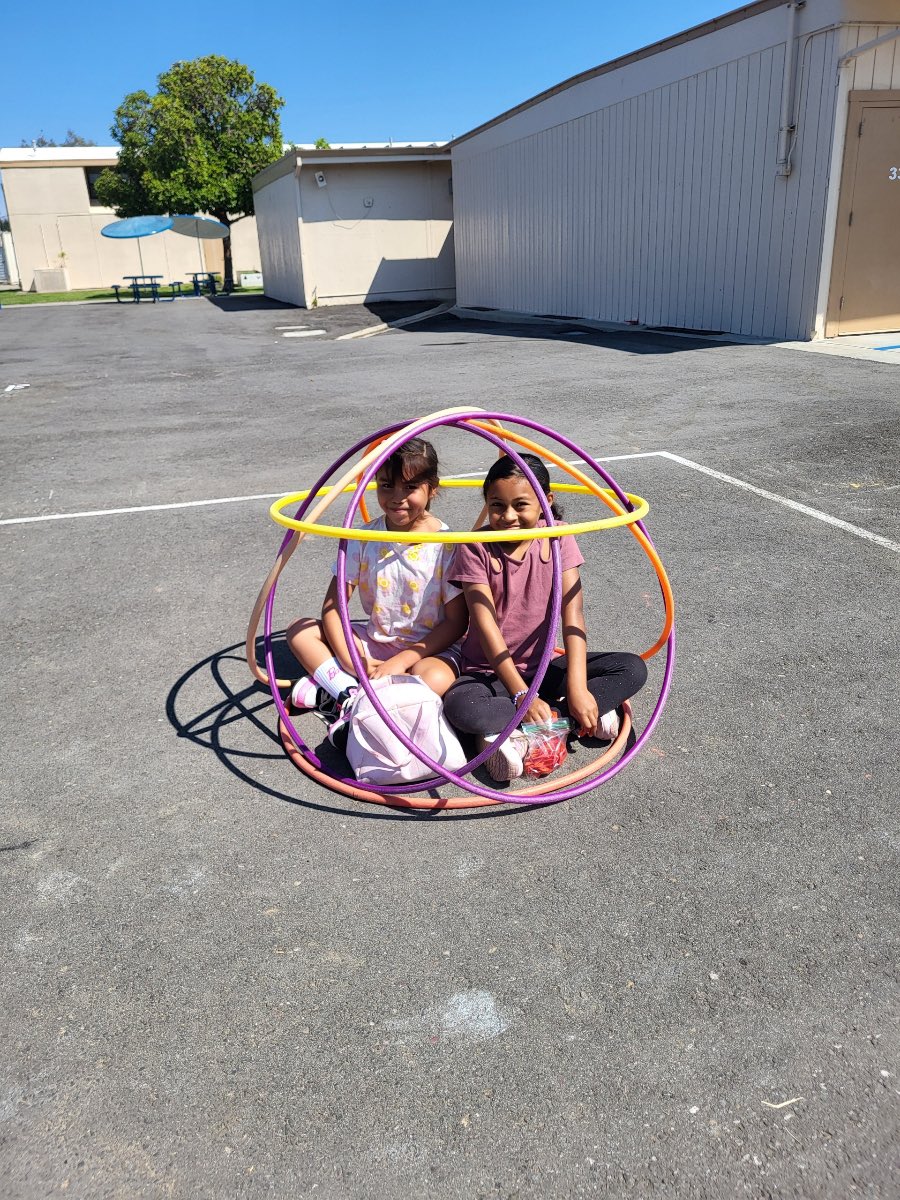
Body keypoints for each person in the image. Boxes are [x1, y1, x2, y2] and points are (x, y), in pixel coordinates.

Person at [442, 452, 648, 781]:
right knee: (461, 708)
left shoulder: (557, 537)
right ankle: (568, 721)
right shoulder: (474, 548)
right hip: (490, 673)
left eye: (520, 505)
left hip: (542, 667)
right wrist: (523, 695)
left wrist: (578, 687)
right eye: (497, 505)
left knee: (632, 667)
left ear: (545, 502)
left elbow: (573, 613)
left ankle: (538, 724)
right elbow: (486, 625)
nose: (507, 516)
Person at [286, 438, 468, 740]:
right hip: (374, 641)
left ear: (432, 488)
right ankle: (349, 694)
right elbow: (334, 608)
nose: (397, 498)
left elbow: (456, 622)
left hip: (428, 649)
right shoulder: (363, 537)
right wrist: (350, 659)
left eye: (409, 488)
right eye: (386, 486)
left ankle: (333, 688)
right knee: (300, 630)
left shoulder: (446, 546)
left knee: (434, 678)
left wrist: (402, 660)